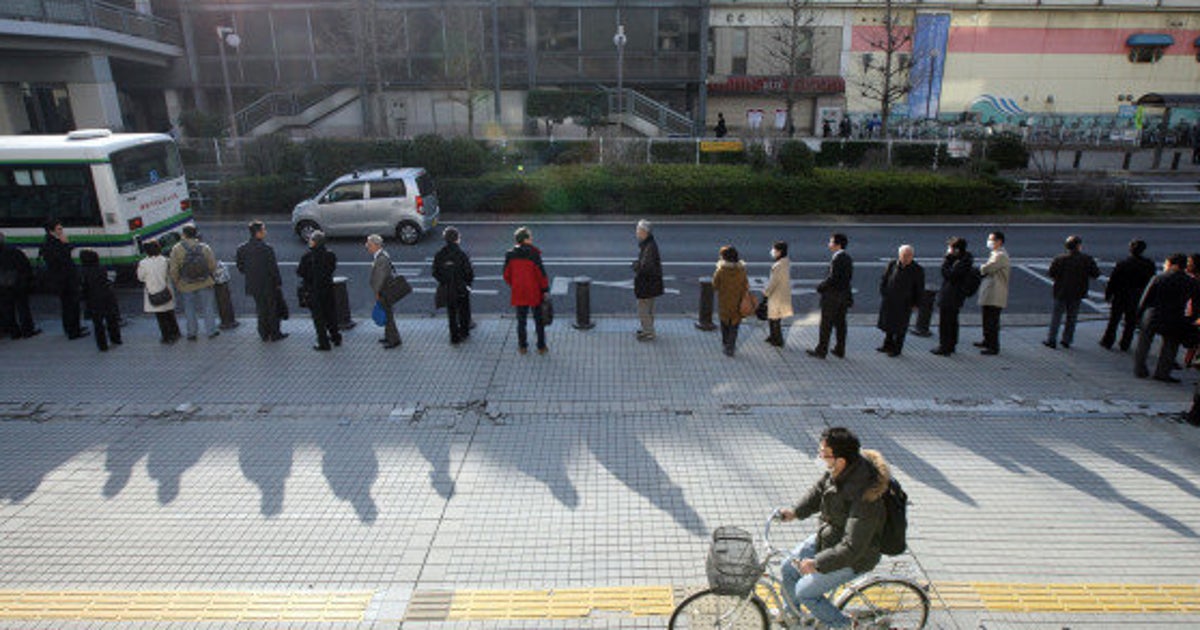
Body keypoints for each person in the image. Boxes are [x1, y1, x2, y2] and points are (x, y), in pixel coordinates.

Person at [778, 427, 891, 629]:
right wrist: (795, 512)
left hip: (856, 557)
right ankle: (793, 617)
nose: (821, 456)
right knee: (788, 567)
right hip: (830, 538)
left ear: (840, 460)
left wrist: (816, 563)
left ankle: (846, 626)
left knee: (805, 592)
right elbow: (819, 491)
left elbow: (853, 547)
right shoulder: (840, 470)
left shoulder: (866, 496)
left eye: (824, 453)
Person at [1134, 253, 1200, 382]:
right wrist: (1191, 319)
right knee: (1170, 346)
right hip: (1175, 316)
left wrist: (1138, 316)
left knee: (1144, 343)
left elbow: (1145, 299)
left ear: (1172, 264)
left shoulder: (1159, 278)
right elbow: (1196, 302)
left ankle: (1140, 369)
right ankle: (1162, 373)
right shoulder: (1191, 282)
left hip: (1154, 314)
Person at [1044, 235, 1100, 350]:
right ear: (1079, 246)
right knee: (1072, 316)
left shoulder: (1059, 259)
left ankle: (1051, 339)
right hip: (1078, 292)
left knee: (1056, 316)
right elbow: (1096, 274)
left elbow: (1051, 273)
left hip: (1061, 291)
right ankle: (1067, 340)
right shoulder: (1087, 259)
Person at [1101, 239, 1156, 352]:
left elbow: (1113, 280)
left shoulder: (1123, 263)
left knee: (1114, 319)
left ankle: (1108, 341)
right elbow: (1151, 282)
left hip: (1121, 295)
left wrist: (1108, 294)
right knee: (1131, 321)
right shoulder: (1148, 265)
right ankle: (1125, 343)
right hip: (1137, 296)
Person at [236, 220, 286, 342]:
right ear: (258, 233)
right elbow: (273, 268)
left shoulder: (242, 249)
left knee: (261, 308)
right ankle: (275, 333)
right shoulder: (267, 249)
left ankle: (263, 333)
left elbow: (241, 267)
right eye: (264, 230)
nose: (265, 232)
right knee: (272, 309)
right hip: (268, 284)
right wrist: (278, 282)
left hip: (253, 284)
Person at [503, 226, 550, 355]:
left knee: (521, 321)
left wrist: (516, 284)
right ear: (525, 239)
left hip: (519, 291)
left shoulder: (510, 254)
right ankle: (541, 346)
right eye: (530, 236)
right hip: (534, 291)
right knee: (539, 320)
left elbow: (506, 275)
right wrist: (545, 289)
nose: (532, 238)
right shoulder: (534, 254)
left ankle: (522, 347)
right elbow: (541, 275)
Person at [168, 224, 220, 341]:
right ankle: (211, 331)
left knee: (189, 308)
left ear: (184, 235)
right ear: (196, 234)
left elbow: (174, 269)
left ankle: (192, 333)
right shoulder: (204, 247)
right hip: (205, 282)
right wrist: (211, 276)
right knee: (208, 307)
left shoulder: (177, 249)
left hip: (186, 284)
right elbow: (212, 265)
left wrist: (176, 282)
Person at [38, 219, 87, 339]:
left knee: (67, 305)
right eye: (59, 229)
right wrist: (65, 244)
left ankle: (71, 327)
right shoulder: (52, 243)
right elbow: (62, 259)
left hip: (62, 278)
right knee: (71, 304)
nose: (62, 231)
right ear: (51, 230)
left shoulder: (50, 242)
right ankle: (73, 331)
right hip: (65, 279)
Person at [808, 233, 853, 359]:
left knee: (826, 324)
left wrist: (821, 287)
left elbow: (832, 278)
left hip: (832, 297)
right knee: (840, 324)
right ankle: (840, 349)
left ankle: (821, 350)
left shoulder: (837, 258)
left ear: (837, 245)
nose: (829, 244)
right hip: (843, 296)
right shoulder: (848, 258)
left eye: (831, 242)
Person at [297, 230, 341, 351]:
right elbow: (332, 268)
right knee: (331, 315)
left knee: (318, 319)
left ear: (315, 242)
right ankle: (336, 337)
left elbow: (300, 272)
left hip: (313, 291)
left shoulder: (307, 256)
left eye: (311, 239)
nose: (309, 241)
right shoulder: (330, 255)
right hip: (328, 289)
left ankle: (323, 343)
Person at [877, 244, 924, 357]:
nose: (906, 258)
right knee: (888, 323)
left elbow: (919, 288)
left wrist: (916, 303)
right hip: (890, 300)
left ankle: (897, 349)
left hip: (905, 303)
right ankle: (887, 344)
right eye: (904, 255)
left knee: (900, 327)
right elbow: (885, 279)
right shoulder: (893, 264)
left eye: (908, 255)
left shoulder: (917, 269)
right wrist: (884, 292)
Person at [432, 226, 475, 345]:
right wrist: (467, 283)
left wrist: (444, 281)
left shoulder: (439, 255)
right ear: (457, 239)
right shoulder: (462, 254)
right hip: (461, 288)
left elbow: (435, 272)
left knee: (451, 313)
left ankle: (454, 337)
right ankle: (464, 332)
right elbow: (469, 273)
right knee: (464, 311)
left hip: (447, 288)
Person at [932, 237, 973, 356]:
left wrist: (947, 260)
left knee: (946, 321)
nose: (948, 250)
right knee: (952, 320)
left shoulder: (960, 262)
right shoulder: (964, 259)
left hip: (952, 295)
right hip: (955, 295)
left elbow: (948, 274)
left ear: (956, 249)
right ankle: (951, 344)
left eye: (950, 248)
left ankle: (945, 346)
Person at [136, 239, 180, 344]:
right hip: (166, 290)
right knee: (170, 313)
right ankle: (176, 332)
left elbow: (141, 278)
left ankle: (167, 337)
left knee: (161, 317)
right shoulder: (165, 260)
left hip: (153, 291)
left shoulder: (143, 263)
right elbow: (171, 273)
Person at [975, 231, 1011, 356]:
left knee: (992, 321)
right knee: (987, 318)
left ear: (999, 241)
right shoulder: (996, 253)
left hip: (996, 292)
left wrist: (980, 268)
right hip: (990, 291)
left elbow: (987, 268)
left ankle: (993, 346)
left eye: (991, 240)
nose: (989, 242)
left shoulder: (1000, 255)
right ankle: (987, 340)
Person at [77, 249, 121, 352]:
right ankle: (116, 339)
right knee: (111, 320)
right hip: (107, 297)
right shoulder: (101, 269)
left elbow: (83, 288)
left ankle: (103, 345)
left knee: (98, 325)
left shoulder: (82, 272)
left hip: (93, 300)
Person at [0, 232, 39, 339]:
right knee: (23, 307)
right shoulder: (14, 251)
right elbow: (26, 267)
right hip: (18, 284)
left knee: (7, 309)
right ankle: (27, 330)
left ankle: (14, 332)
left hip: (3, 286)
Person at [712, 245, 749, 357]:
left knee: (724, 324)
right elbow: (746, 285)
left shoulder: (721, 271)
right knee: (735, 325)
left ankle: (725, 343)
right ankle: (731, 346)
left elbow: (715, 285)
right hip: (738, 302)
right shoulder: (741, 270)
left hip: (724, 302)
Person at [366, 233, 401, 349]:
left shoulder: (381, 259)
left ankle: (393, 340)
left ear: (376, 245)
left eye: (369, 244)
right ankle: (389, 336)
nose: (367, 246)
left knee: (388, 316)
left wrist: (376, 292)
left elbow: (380, 278)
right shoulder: (381, 255)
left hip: (384, 291)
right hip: (387, 289)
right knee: (388, 314)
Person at [632, 220, 664, 341]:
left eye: (638, 229)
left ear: (644, 232)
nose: (636, 232)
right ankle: (648, 328)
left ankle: (648, 332)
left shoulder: (648, 246)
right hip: (652, 282)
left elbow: (646, 267)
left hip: (647, 283)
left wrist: (636, 266)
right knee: (648, 307)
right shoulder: (649, 243)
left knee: (643, 308)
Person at [763, 241, 793, 347]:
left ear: (779, 252)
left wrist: (765, 294)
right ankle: (773, 336)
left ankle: (777, 339)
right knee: (774, 317)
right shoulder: (785, 262)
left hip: (776, 295)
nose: (772, 252)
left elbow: (773, 282)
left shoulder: (779, 265)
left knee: (774, 318)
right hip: (781, 293)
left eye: (774, 250)